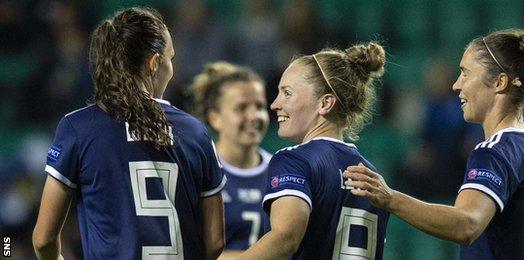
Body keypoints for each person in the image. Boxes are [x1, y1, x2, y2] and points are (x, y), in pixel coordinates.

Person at [344, 28, 524, 259]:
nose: (456, 85)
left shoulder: (495, 152)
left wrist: (391, 198)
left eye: (465, 73)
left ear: (499, 82)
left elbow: (467, 225)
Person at [32, 7, 225, 260]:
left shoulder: (78, 128)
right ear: (155, 64)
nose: (172, 67)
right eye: (171, 59)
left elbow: (43, 240)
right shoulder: (195, 132)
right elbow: (215, 242)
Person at [238, 43, 390, 259]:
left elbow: (286, 238)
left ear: (325, 103)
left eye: (287, 93)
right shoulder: (373, 177)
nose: (274, 104)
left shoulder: (294, 161)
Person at [191, 61, 271, 258]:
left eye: (260, 106)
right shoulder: (198, 171)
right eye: (241, 108)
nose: (254, 116)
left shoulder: (281, 171)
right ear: (215, 118)